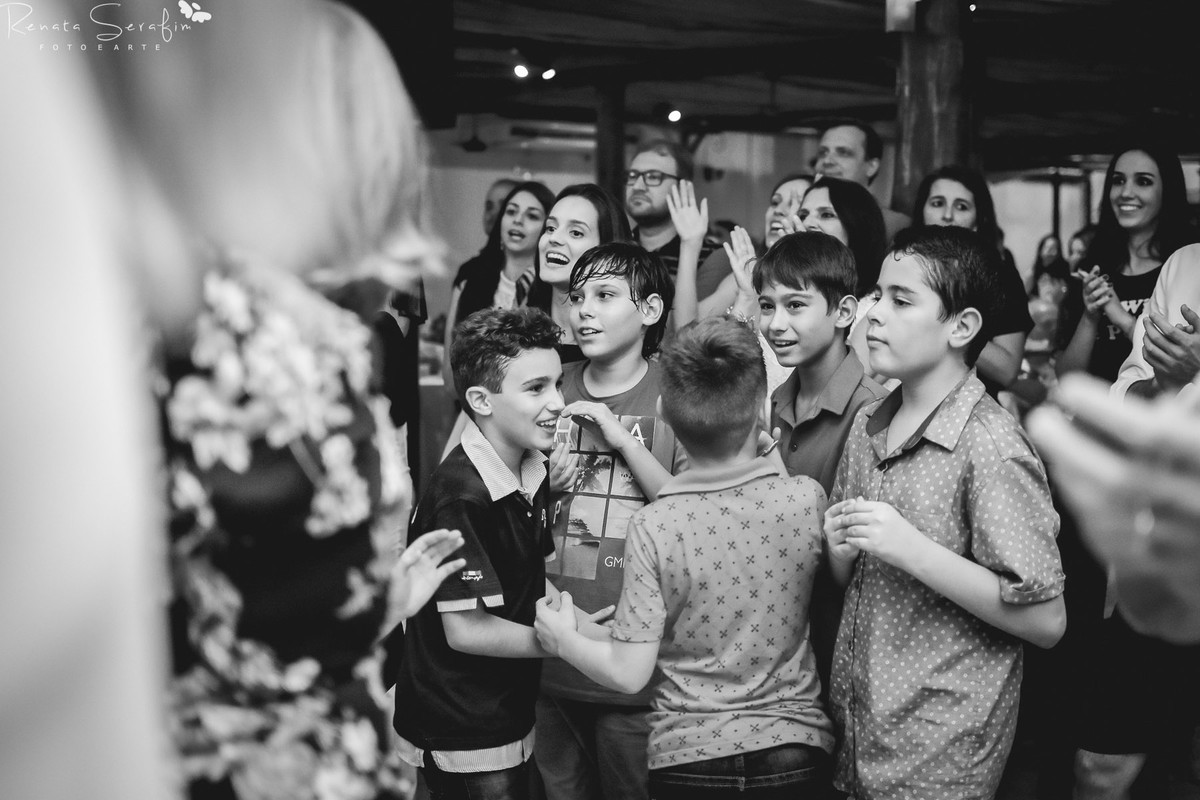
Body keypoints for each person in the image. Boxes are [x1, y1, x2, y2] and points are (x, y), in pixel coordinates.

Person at [533, 317, 837, 799]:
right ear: (762, 408)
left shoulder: (657, 526)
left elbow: (628, 673)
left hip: (688, 756)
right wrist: (766, 440)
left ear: (663, 413)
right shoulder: (804, 499)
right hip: (793, 746)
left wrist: (562, 639)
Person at [824, 225, 1066, 799]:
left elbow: (1047, 621)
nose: (873, 314)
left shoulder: (992, 444)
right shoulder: (868, 424)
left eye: (901, 300)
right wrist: (840, 550)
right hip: (858, 729)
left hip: (943, 748)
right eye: (876, 295)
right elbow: (852, 578)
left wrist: (911, 549)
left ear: (962, 327)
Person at [391, 307, 608, 800]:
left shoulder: (530, 469)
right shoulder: (461, 497)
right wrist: (565, 643)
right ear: (480, 401)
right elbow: (466, 630)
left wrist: (582, 624)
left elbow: (528, 576)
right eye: (535, 389)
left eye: (557, 384)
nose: (558, 403)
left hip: (504, 708)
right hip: (463, 724)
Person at [536, 242, 685, 800]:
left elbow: (692, 516)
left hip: (638, 660)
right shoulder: (550, 384)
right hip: (549, 646)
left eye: (604, 295)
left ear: (649, 311)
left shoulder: (676, 391)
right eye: (576, 297)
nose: (584, 311)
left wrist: (623, 441)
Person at [754, 231, 888, 698]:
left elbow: (857, 558)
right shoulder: (772, 401)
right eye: (767, 305)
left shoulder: (872, 412)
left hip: (839, 643)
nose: (775, 323)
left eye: (795, 305)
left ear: (845, 313)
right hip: (777, 638)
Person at [1057, 142, 1197, 386]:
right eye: (1118, 181)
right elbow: (1067, 378)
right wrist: (1090, 317)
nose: (1125, 192)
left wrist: (1121, 318)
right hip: (1097, 415)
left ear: (1168, 190)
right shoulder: (1093, 267)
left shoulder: (1186, 269)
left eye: (1143, 181)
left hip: (1161, 415)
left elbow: (1180, 363)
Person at [912, 164, 1035, 394]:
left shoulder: (1000, 276)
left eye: (961, 206)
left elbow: (1007, 371)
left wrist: (946, 318)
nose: (947, 215)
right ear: (922, 212)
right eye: (937, 203)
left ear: (978, 221)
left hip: (972, 409)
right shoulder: (900, 266)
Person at [443, 181, 556, 392]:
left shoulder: (553, 285)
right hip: (472, 404)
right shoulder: (471, 276)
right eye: (511, 212)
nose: (518, 220)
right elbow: (450, 369)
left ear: (547, 229)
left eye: (532, 216)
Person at [527, 183, 633, 365]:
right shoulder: (518, 340)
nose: (554, 238)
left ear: (607, 249)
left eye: (576, 233)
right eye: (550, 228)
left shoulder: (621, 351)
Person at [624, 140, 725, 298]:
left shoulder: (710, 256)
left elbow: (689, 322)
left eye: (653, 177)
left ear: (682, 187)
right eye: (632, 176)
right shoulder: (615, 248)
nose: (637, 186)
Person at [815, 119, 910, 240]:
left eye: (843, 153)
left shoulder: (896, 226)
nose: (827, 161)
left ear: (871, 166)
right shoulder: (799, 216)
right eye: (822, 152)